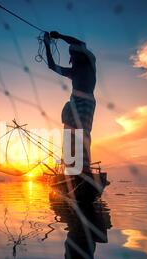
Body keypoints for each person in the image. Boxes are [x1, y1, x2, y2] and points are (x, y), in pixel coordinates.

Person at [44, 31, 96, 174]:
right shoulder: (73, 72)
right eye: (72, 56)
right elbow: (52, 66)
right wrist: (47, 44)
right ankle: (70, 167)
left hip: (87, 102)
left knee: (82, 132)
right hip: (74, 101)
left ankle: (83, 168)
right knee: (69, 133)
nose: (73, 57)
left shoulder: (90, 63)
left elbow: (79, 44)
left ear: (82, 55)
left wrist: (59, 36)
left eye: (74, 54)